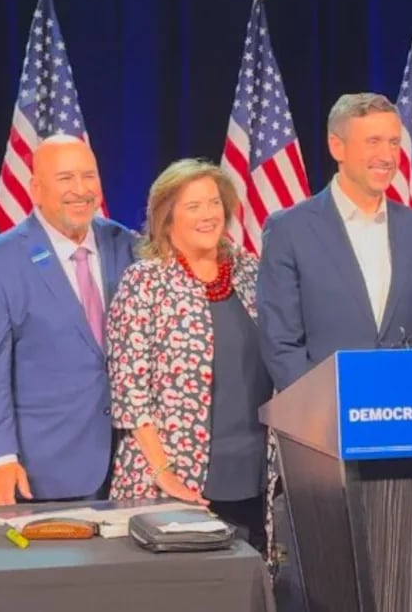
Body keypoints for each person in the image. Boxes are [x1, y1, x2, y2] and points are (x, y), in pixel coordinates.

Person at [0, 135, 138, 504]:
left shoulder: (127, 244)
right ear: (35, 189)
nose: (80, 189)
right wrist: (0, 458)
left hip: (131, 465)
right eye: (65, 178)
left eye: (89, 176)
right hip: (45, 470)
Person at [108, 159, 274, 552]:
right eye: (194, 206)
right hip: (173, 481)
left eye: (214, 203)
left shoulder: (250, 271)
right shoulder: (144, 282)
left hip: (253, 475)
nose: (209, 215)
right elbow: (129, 393)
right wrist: (163, 473)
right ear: (166, 218)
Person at [257, 92, 412, 391]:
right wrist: (326, 407)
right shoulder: (289, 230)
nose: (388, 156)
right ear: (336, 146)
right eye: (373, 141)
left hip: (409, 407)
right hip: (323, 413)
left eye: (394, 142)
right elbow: (281, 342)